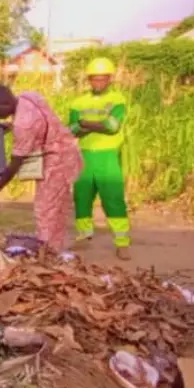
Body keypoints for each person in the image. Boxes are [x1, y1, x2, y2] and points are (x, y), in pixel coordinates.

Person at [0, 85, 84, 251]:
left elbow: (15, 164)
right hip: (68, 151)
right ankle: (55, 249)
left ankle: (46, 254)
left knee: (46, 211)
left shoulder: (24, 125)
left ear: (5, 103)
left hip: (57, 162)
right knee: (58, 211)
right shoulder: (29, 96)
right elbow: (41, 122)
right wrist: (12, 126)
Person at [70, 58, 131, 260]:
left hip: (108, 156)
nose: (98, 83)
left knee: (113, 198)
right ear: (89, 79)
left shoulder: (117, 99)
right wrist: (96, 124)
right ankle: (83, 236)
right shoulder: (78, 102)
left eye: (102, 79)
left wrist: (85, 123)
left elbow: (113, 127)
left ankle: (122, 243)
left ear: (109, 79)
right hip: (85, 155)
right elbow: (72, 130)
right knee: (82, 197)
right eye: (94, 79)